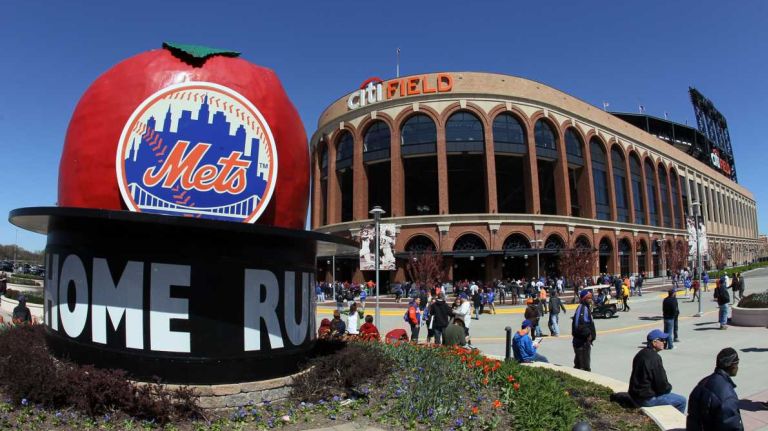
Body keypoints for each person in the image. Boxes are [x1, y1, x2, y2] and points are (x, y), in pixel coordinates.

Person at [628, 329, 687, 413]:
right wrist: (668, 388)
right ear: (654, 342)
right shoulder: (655, 358)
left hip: (635, 395)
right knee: (681, 401)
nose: (665, 342)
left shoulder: (641, 353)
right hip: (646, 399)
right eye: (662, 340)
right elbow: (661, 383)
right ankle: (673, 422)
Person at [687, 348, 744, 431]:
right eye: (737, 364)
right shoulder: (727, 396)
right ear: (733, 365)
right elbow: (732, 427)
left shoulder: (703, 382)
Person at [572, 290, 596, 371]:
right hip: (582, 344)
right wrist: (588, 335)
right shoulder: (582, 308)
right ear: (584, 299)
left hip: (582, 343)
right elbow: (579, 326)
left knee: (579, 366)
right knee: (584, 368)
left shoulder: (585, 308)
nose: (590, 299)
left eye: (591, 297)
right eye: (588, 298)